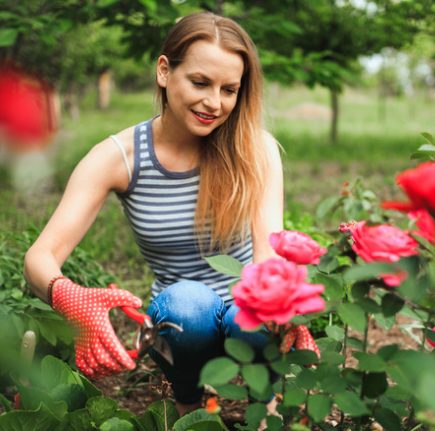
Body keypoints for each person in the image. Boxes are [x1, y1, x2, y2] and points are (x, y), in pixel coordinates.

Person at [23, 12, 283, 417]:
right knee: (188, 304)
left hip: (246, 317)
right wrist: (68, 295)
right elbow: (39, 257)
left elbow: (269, 258)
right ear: (164, 71)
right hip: (180, 324)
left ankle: (265, 409)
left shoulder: (256, 149)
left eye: (229, 89)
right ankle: (189, 411)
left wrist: (283, 308)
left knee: (253, 312)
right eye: (200, 82)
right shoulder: (119, 157)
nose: (214, 103)